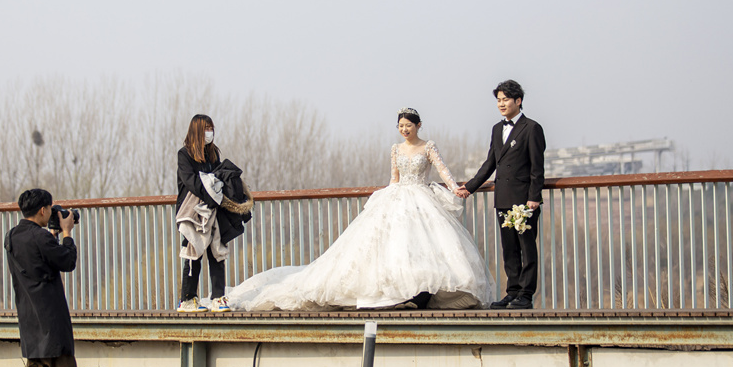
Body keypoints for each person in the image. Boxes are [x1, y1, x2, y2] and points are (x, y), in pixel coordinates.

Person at [227, 108, 494, 311]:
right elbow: (394, 178)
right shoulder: (395, 149)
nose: (404, 130)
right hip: (398, 197)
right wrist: (386, 196)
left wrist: (455, 188)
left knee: (421, 247)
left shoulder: (428, 146)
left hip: (421, 196)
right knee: (392, 247)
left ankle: (419, 294)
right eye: (400, 126)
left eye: (408, 126)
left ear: (418, 126)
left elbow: (443, 171)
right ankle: (400, 294)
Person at [5, 188, 92, 367]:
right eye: (50, 209)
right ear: (43, 210)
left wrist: (51, 235)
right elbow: (66, 261)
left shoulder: (12, 236)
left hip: (28, 314)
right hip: (51, 314)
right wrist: (66, 233)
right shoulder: (41, 238)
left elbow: (39, 260)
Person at [455, 80, 546, 310]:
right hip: (503, 198)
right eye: (498, 100)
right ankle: (512, 292)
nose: (501, 104)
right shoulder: (497, 129)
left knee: (527, 248)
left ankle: (526, 295)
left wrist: (534, 197)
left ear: (518, 101)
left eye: (505, 99)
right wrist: (470, 186)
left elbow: (537, 167)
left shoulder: (532, 128)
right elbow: (490, 163)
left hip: (525, 201)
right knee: (509, 249)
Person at [176, 114, 251, 313]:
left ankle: (218, 297)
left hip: (214, 212)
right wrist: (211, 194)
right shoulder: (184, 155)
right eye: (206, 128)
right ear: (197, 130)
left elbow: (218, 179)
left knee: (217, 252)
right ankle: (188, 299)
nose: (210, 132)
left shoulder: (213, 154)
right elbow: (191, 182)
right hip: (192, 214)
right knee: (193, 254)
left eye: (212, 128)